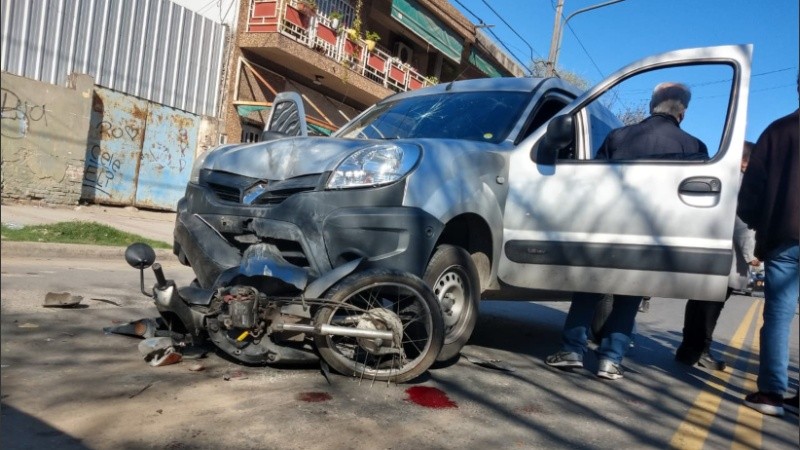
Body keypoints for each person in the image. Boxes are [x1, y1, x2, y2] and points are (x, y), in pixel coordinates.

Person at [546, 82, 708, 380]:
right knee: (630, 295)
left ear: (650, 106)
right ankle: (611, 359)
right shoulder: (695, 148)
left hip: (609, 226)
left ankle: (571, 350)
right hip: (653, 234)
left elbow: (590, 183)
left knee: (588, 289)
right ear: (682, 113)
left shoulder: (618, 136)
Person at [737, 90, 799, 416]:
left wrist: (759, 222)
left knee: (778, 316)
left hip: (784, 238)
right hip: (783, 239)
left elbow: (750, 194)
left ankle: (772, 394)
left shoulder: (776, 132)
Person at [675, 142, 759, 371]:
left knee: (697, 302)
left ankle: (687, 348)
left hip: (707, 252)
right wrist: (752, 255)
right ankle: (701, 350)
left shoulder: (719, 179)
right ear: (745, 162)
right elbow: (743, 225)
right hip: (727, 257)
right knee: (712, 306)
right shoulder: (742, 183)